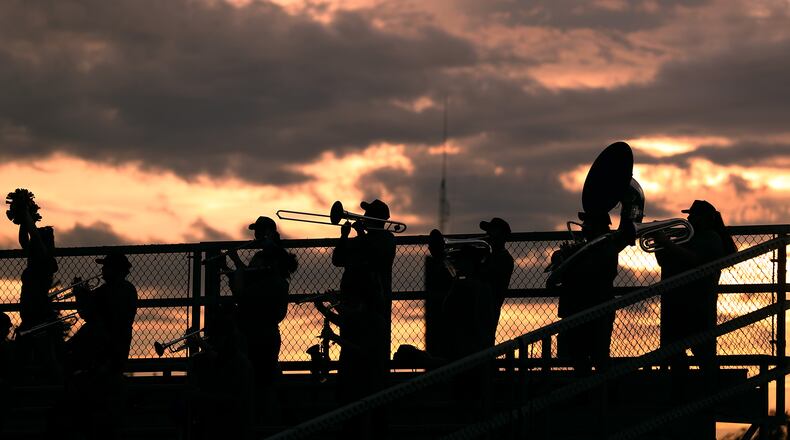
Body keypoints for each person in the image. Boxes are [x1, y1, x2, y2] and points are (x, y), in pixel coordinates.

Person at [322, 198, 395, 438]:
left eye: (367, 214)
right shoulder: (361, 240)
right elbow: (337, 260)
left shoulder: (385, 239)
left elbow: (376, 254)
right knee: (350, 353)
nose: (361, 218)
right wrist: (344, 237)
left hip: (374, 308)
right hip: (351, 307)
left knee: (369, 357)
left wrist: (361, 234)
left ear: (377, 218)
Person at [222, 216, 297, 417]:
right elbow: (247, 277)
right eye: (256, 232)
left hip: (265, 325)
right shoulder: (259, 257)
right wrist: (231, 266)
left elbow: (285, 267)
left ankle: (270, 417)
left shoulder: (278, 256)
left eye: (260, 231)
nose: (256, 235)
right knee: (250, 375)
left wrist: (269, 247)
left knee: (265, 377)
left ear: (270, 233)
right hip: (249, 323)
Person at [655, 200, 736, 372]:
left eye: (693, 215)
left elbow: (694, 260)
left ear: (704, 218)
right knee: (675, 355)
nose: (689, 218)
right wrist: (659, 242)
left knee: (704, 355)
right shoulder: (688, 236)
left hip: (698, 304)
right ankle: (686, 392)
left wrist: (667, 243)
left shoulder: (711, 237)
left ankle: (708, 392)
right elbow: (665, 261)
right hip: (678, 304)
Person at [65, 252, 138, 440]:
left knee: (101, 394)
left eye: (107, 267)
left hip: (107, 349)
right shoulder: (122, 289)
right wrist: (83, 295)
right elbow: (90, 312)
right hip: (112, 348)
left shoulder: (114, 291)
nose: (103, 270)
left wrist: (81, 294)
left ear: (117, 270)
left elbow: (91, 315)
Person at [552, 211, 633, 373]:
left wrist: (569, 260)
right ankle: (589, 393)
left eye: (587, 224)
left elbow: (587, 274)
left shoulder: (606, 246)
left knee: (598, 356)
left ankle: (601, 394)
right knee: (578, 356)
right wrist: (559, 257)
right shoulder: (584, 247)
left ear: (597, 227)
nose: (583, 228)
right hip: (577, 308)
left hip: (596, 308)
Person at [480, 217, 514, 345]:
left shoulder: (505, 259)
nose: (487, 235)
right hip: (482, 305)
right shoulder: (487, 255)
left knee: (485, 341)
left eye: (491, 232)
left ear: (501, 236)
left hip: (490, 306)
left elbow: (488, 277)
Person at [424, 229, 454, 360]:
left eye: (433, 245)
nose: (430, 248)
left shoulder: (446, 262)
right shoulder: (437, 262)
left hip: (445, 309)